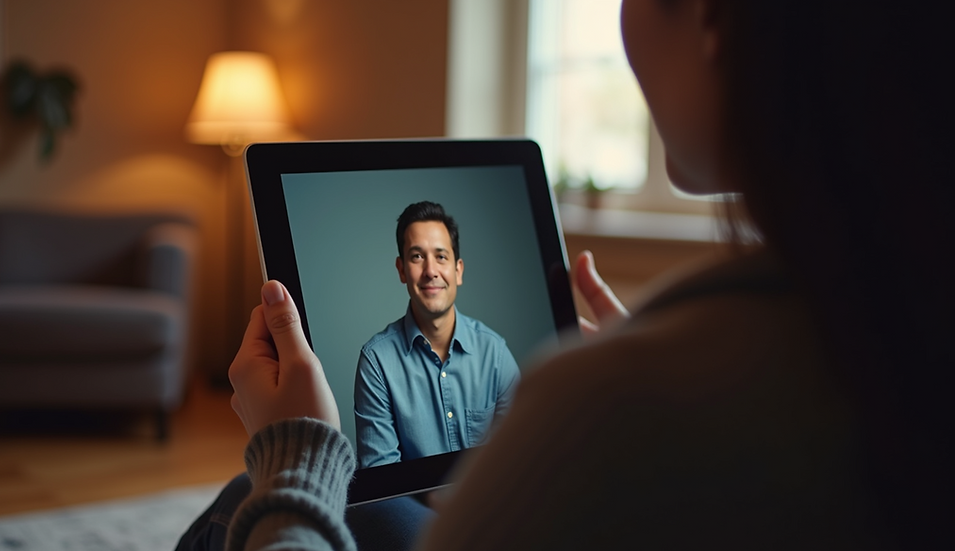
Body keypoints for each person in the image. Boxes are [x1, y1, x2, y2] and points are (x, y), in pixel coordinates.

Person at [197, 0, 955, 549]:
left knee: (250, 500)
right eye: (415, 256)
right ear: (402, 270)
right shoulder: (894, 316)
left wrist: (298, 447)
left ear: (712, 19)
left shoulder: (585, 395)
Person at [354, 201, 521, 469]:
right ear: (401, 270)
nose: (431, 271)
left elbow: (520, 456)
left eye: (441, 256)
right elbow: (383, 481)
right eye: (417, 256)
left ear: (458, 270)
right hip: (415, 511)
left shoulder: (496, 354)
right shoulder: (377, 362)